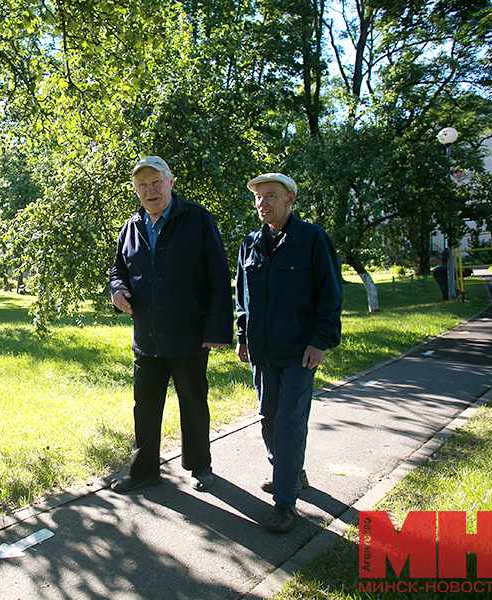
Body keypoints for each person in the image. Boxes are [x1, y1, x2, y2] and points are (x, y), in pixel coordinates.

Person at [109, 156, 233, 494]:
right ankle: (144, 470)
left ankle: (200, 466)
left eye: (156, 182)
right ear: (136, 190)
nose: (150, 190)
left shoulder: (197, 218)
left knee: (193, 402)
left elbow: (219, 275)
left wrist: (218, 329)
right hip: (147, 335)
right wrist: (116, 290)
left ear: (171, 182)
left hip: (189, 333)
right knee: (145, 406)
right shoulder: (131, 227)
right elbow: (118, 270)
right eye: (142, 185)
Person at [235, 173, 343, 533]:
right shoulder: (250, 244)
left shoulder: (312, 239)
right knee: (268, 417)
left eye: (270, 196)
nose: (262, 203)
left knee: (290, 421)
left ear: (290, 199)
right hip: (263, 350)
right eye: (258, 198)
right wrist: (242, 336)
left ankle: (285, 502)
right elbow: (242, 299)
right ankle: (290, 471)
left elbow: (330, 295)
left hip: (299, 351)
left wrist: (320, 340)